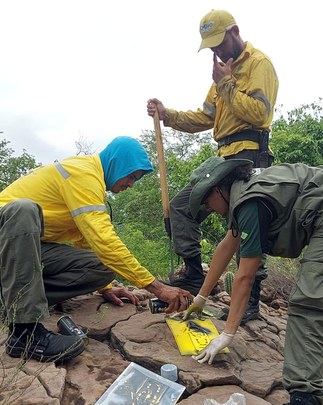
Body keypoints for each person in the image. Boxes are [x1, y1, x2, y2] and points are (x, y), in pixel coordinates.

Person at [183, 156, 323, 405]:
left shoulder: (249, 201)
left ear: (219, 189)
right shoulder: (247, 193)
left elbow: (245, 275)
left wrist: (228, 334)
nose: (210, 210)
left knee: (308, 308)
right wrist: (201, 297)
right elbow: (226, 247)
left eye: (207, 203)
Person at [0, 136, 192, 364]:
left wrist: (105, 287)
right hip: (7, 238)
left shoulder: (93, 187)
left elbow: (86, 239)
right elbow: (104, 239)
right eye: (131, 176)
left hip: (28, 250)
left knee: (102, 267)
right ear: (117, 163)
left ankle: (13, 301)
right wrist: (156, 287)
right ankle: (24, 332)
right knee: (23, 209)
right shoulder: (83, 173)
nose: (131, 184)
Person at [147, 9, 279, 323]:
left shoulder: (259, 64)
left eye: (220, 43)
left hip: (250, 156)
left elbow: (260, 113)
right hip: (222, 160)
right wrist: (168, 115)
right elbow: (205, 117)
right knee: (181, 205)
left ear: (235, 31)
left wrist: (227, 84)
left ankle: (250, 303)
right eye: (212, 47)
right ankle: (193, 273)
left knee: (245, 225)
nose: (217, 51)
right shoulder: (220, 74)